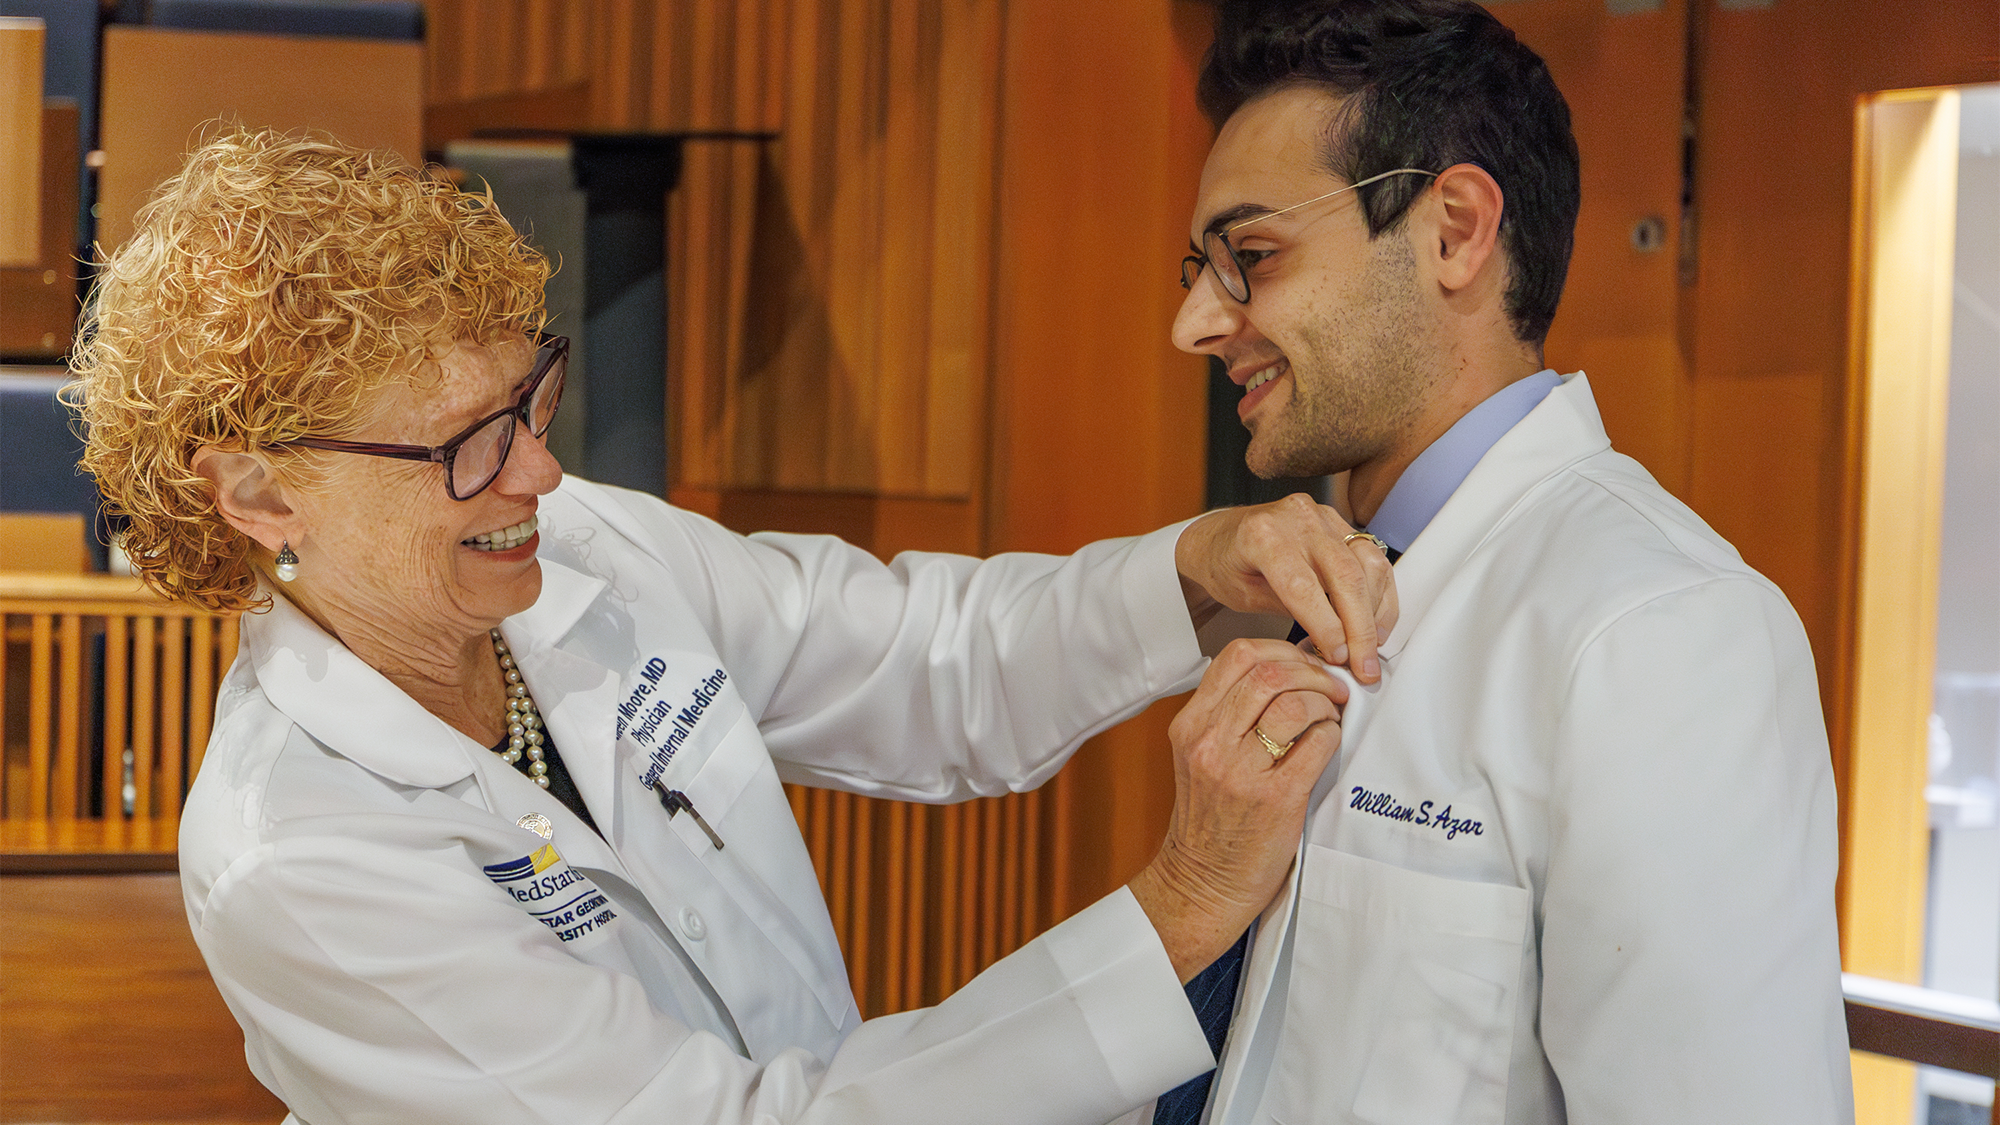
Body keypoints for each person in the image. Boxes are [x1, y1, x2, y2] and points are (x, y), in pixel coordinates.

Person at [70, 127, 1395, 1125]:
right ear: (255, 489)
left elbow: (922, 659)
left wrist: (1195, 564)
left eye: (530, 401)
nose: (537, 472)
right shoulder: (300, 857)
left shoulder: (582, 549)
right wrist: (1175, 916)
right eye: (465, 447)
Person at [1133, 2, 1852, 1124]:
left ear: (1454, 231)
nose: (1192, 323)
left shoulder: (1662, 629)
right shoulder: (1294, 591)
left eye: (1251, 258)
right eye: (1201, 267)